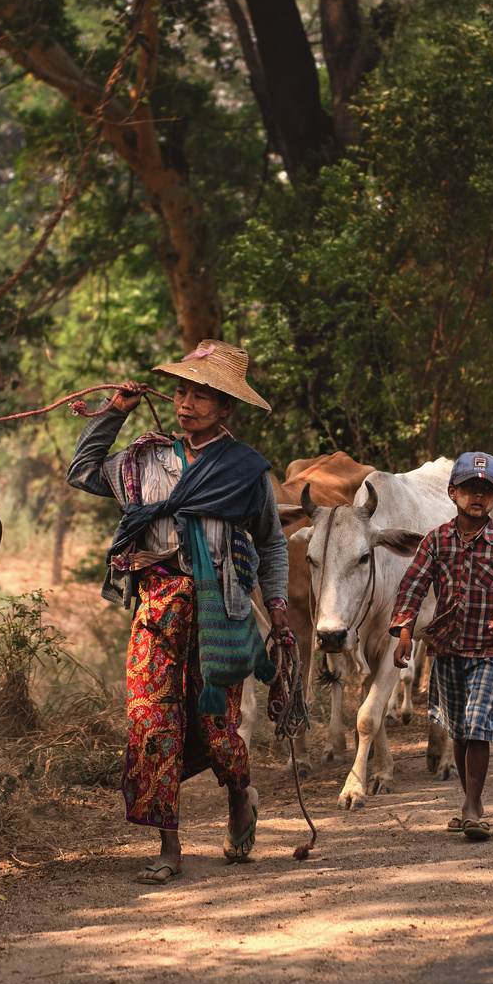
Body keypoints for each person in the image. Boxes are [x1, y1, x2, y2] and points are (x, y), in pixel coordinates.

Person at [64, 341, 290, 885]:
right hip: (157, 609)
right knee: (151, 723)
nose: (186, 403)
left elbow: (272, 544)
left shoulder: (245, 471)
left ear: (226, 407)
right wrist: (115, 409)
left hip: (224, 613)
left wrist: (277, 609)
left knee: (218, 730)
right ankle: (170, 846)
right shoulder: (145, 461)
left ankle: (240, 795)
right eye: (182, 390)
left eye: (201, 395)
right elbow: (82, 471)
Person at [389, 452, 493, 841]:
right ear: (452, 492)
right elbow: (412, 586)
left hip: (491, 647)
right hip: (448, 647)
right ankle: (469, 800)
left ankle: (472, 805)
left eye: (486, 491)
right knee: (457, 727)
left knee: (478, 723)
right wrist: (404, 630)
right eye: (470, 488)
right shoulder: (436, 541)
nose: (477, 496)